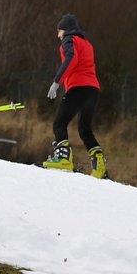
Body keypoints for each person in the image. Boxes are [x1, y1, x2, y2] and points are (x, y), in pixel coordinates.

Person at [42, 13, 109, 179]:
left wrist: (57, 82)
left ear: (65, 29)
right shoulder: (87, 44)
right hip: (93, 90)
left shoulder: (69, 39)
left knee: (59, 123)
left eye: (59, 31)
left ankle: (63, 158)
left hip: (78, 87)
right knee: (85, 129)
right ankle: (99, 167)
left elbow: (71, 59)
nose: (58, 36)